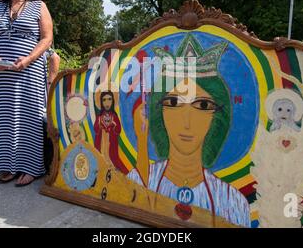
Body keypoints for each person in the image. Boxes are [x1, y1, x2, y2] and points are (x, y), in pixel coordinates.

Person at [127, 35, 251, 227]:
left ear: (217, 117)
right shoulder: (137, 180)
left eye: (202, 104)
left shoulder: (232, 202)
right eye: (174, 102)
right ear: (159, 113)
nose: (186, 122)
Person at [0, 0, 53, 186]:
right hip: (2, 74)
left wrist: (29, 59)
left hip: (29, 71)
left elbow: (46, 38)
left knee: (29, 118)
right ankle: (9, 166)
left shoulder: (38, 6)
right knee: (5, 119)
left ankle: (32, 168)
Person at [93, 90, 127, 174]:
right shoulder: (100, 117)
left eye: (109, 99)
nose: (107, 102)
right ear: (101, 102)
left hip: (111, 143)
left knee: (112, 158)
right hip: (101, 142)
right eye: (104, 100)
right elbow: (95, 128)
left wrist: (113, 124)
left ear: (113, 101)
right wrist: (100, 125)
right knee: (101, 156)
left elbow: (118, 129)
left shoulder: (114, 116)